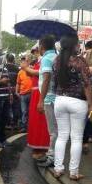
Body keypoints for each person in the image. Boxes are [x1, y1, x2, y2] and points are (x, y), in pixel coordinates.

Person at [51, 35, 92, 180]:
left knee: (62, 136)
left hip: (60, 100)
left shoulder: (56, 61)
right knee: (76, 138)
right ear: (74, 46)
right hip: (77, 102)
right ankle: (74, 172)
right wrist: (91, 105)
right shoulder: (80, 61)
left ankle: (58, 169)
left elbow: (53, 82)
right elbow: (87, 84)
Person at [22, 45, 50, 160]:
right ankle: (38, 146)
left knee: (40, 121)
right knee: (34, 120)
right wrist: (27, 67)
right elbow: (31, 74)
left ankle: (42, 147)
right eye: (34, 51)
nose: (35, 53)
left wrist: (26, 68)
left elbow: (40, 73)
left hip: (40, 92)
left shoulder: (45, 60)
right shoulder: (39, 61)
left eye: (36, 51)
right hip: (35, 92)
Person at [37, 35, 58, 166]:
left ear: (41, 47)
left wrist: (41, 99)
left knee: (53, 130)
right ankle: (54, 155)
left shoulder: (46, 59)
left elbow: (46, 78)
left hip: (49, 99)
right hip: (59, 97)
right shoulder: (57, 57)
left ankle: (52, 157)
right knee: (58, 130)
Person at [16, 56, 33, 132]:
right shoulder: (20, 72)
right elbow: (18, 83)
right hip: (22, 94)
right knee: (24, 111)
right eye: (22, 62)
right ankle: (24, 126)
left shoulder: (31, 70)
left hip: (31, 93)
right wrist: (16, 91)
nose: (23, 63)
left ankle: (31, 126)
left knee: (31, 110)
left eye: (25, 61)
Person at [5, 53, 21, 130]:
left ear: (7, 59)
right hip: (15, 88)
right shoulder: (17, 68)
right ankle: (14, 123)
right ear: (13, 60)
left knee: (7, 106)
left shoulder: (4, 68)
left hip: (6, 89)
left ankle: (8, 123)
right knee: (15, 106)